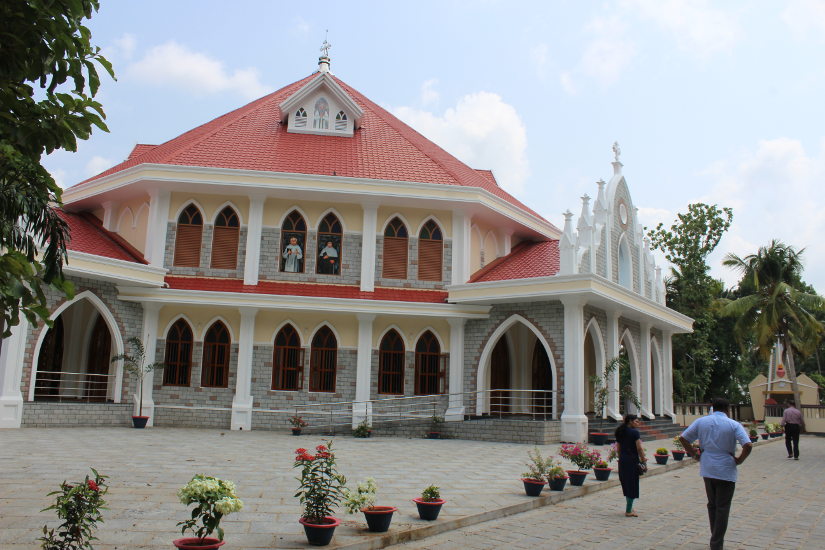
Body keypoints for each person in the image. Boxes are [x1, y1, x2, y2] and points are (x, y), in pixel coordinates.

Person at [679, 397, 752, 550]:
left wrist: (694, 454)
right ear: (728, 409)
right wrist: (740, 460)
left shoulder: (702, 422)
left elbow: (683, 438)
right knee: (723, 507)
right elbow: (748, 445)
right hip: (726, 467)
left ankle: (715, 536)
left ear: (712, 407)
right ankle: (716, 543)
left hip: (707, 466)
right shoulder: (733, 425)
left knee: (712, 505)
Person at [614, 413, 647, 517]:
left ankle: (629, 506)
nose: (638, 423)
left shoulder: (620, 432)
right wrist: (643, 460)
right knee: (632, 484)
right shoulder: (634, 433)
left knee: (626, 483)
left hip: (623, 460)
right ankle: (628, 510)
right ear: (630, 421)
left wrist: (621, 458)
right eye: (636, 421)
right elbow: (639, 448)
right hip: (632, 461)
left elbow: (618, 448)